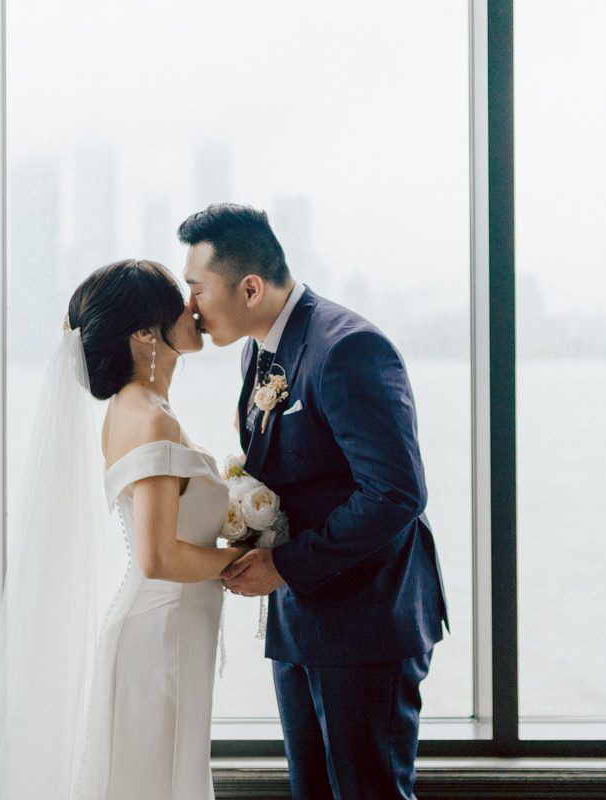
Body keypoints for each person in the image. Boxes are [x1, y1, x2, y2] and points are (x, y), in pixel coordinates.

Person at [181, 204, 449, 800]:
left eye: (196, 288)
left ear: (251, 288)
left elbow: (396, 493)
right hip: (300, 619)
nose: (190, 306)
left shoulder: (348, 347)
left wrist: (283, 565)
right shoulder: (257, 350)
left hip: (366, 620)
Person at [0, 259, 247, 799]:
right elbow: (158, 558)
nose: (193, 308)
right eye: (177, 303)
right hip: (160, 639)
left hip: (173, 633)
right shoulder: (151, 419)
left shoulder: (137, 409)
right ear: (144, 334)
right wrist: (250, 562)